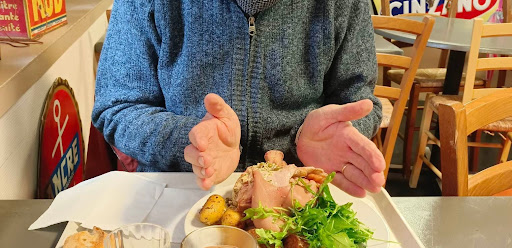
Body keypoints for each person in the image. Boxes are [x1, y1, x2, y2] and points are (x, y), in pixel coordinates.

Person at [92, 0, 385, 197]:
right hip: (178, 191)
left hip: (302, 193)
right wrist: (191, 140)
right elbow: (117, 106)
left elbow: (360, 101)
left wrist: (336, 132)